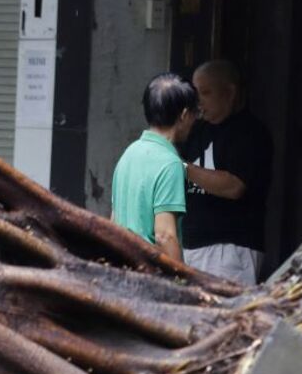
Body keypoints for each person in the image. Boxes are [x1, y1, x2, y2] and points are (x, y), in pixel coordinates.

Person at [180, 59, 273, 285]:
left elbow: (234, 186)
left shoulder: (250, 132)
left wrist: (182, 168)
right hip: (192, 245)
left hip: (230, 249)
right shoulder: (197, 130)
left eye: (206, 92)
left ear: (230, 93)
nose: (198, 101)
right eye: (195, 92)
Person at [111, 73, 198, 262]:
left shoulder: (129, 154)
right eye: (194, 113)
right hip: (150, 274)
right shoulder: (170, 163)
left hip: (122, 267)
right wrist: (180, 281)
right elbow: (164, 235)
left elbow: (114, 221)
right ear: (184, 115)